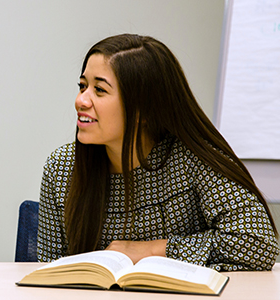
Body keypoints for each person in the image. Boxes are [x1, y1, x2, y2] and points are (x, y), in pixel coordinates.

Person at [37, 33, 279, 271]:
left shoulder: (194, 159)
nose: (81, 100)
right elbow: (48, 270)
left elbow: (258, 243)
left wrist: (152, 250)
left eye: (99, 90)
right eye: (83, 86)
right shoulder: (61, 167)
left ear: (144, 109)